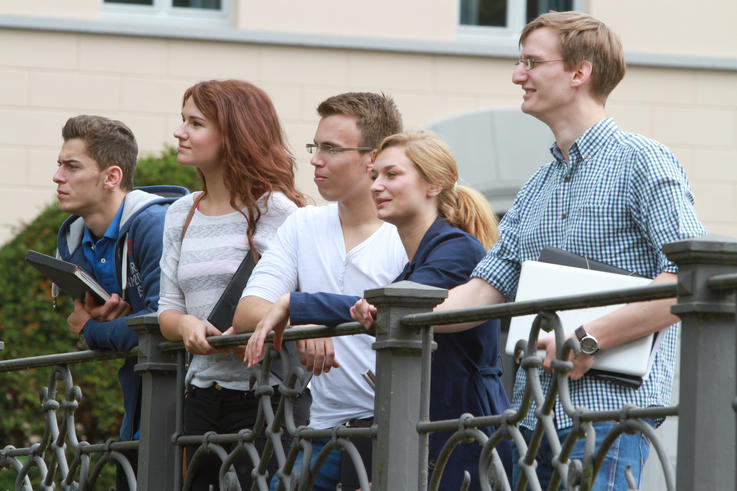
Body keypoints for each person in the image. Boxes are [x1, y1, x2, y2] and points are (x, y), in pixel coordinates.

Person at [434, 11, 706, 490]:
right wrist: (398, 312)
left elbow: (687, 278)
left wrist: (584, 339)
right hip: (533, 419)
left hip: (607, 414)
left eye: (532, 63)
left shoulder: (642, 160)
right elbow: (487, 286)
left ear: (580, 72)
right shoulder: (536, 184)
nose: (518, 75)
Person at [246, 130, 514, 490]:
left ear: (433, 185)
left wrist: (295, 302)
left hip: (463, 439)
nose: (376, 186)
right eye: (374, 176)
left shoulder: (454, 249)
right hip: (436, 435)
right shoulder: (422, 258)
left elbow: (397, 310)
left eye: (392, 175)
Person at [233, 92, 406, 490]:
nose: (314, 159)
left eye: (330, 148)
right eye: (316, 146)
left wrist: (310, 311)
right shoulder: (303, 225)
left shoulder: (407, 231)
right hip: (319, 427)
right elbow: (247, 311)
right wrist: (303, 319)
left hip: (394, 429)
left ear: (373, 158)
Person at [156, 79, 309, 490]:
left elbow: (300, 300)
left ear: (235, 134)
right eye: (182, 120)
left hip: (266, 397)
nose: (180, 131)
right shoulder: (180, 213)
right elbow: (167, 308)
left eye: (196, 123)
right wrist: (186, 326)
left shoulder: (278, 211)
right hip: (201, 394)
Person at [54, 114, 188, 489]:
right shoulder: (75, 242)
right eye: (59, 164)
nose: (58, 176)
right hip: (138, 397)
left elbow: (162, 323)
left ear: (111, 177)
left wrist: (92, 328)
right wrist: (105, 324)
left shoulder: (154, 225)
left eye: (72, 166)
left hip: (188, 399)